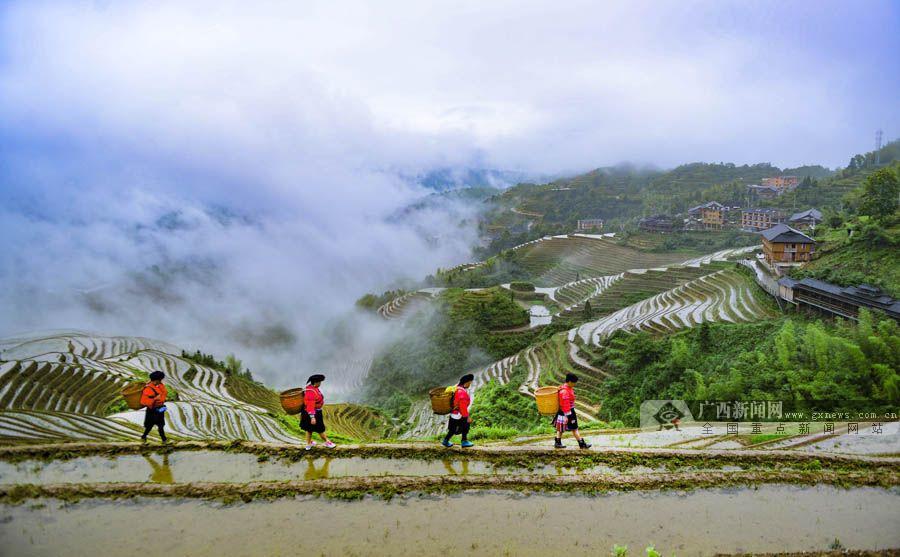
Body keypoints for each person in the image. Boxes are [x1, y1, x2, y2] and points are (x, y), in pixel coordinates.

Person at [554, 373, 591, 449]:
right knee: (574, 428)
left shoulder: (564, 388)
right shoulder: (565, 391)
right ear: (570, 382)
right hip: (568, 411)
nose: (575, 384)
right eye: (574, 383)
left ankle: (557, 442)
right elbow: (565, 404)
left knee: (561, 428)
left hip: (563, 411)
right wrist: (567, 415)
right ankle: (581, 444)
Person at [301, 374, 335, 451]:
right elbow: (310, 405)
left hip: (313, 412)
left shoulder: (313, 388)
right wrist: (312, 417)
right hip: (312, 413)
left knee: (309, 429)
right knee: (320, 429)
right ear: (316, 382)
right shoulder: (311, 391)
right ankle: (327, 442)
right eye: (320, 382)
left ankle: (309, 443)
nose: (320, 383)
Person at [442, 373, 474, 448]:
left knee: (452, 429)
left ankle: (445, 441)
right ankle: (464, 441)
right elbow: (462, 407)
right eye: (470, 383)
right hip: (459, 414)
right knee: (466, 425)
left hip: (454, 413)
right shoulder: (462, 393)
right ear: (466, 383)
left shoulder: (457, 388)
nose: (470, 384)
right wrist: (467, 417)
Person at [140, 371, 168, 443]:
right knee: (150, 426)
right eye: (160, 380)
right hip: (152, 410)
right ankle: (144, 436)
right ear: (157, 380)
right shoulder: (148, 389)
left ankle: (164, 439)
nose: (161, 381)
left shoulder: (158, 386)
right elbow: (143, 401)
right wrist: (155, 399)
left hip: (160, 409)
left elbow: (164, 392)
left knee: (161, 425)